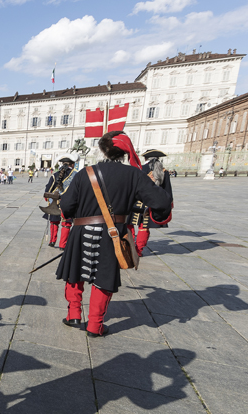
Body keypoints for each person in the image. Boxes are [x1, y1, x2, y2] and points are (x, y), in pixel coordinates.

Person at [55, 131, 172, 337]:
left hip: (81, 230)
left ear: (102, 149)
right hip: (112, 234)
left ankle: (73, 315)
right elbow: (162, 202)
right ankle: (95, 326)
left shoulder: (85, 173)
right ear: (124, 152)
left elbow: (66, 205)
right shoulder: (134, 175)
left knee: (75, 273)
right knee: (103, 278)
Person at [129, 149, 174, 254]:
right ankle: (138, 251)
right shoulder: (164, 172)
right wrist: (168, 205)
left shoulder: (140, 169)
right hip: (153, 203)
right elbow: (167, 190)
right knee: (144, 227)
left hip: (137, 202)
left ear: (145, 158)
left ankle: (129, 248)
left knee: (129, 224)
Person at [43, 157, 76, 248]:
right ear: (72, 164)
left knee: (54, 222)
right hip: (68, 203)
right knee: (66, 224)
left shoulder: (55, 175)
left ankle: (52, 241)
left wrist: (49, 201)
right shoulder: (76, 175)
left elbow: (47, 192)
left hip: (54, 203)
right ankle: (63, 245)